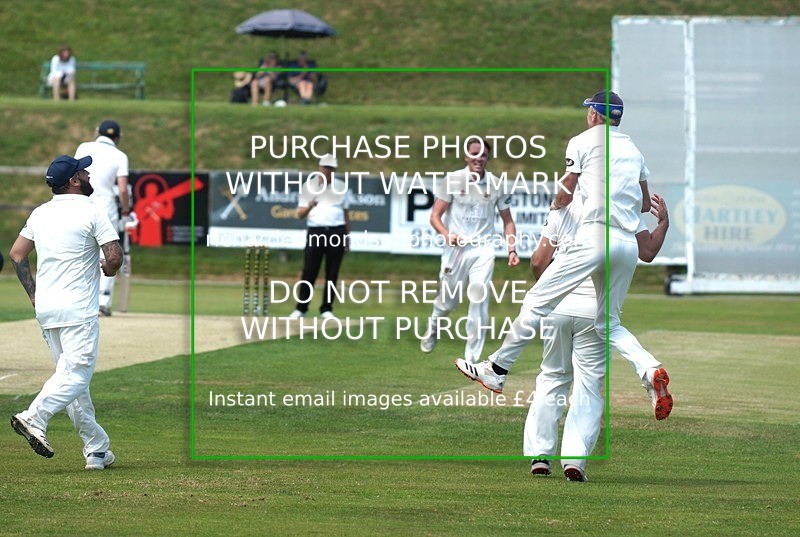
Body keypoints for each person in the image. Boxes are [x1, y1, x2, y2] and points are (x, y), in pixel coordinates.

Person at [455, 90, 672, 430]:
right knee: (608, 325)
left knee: (537, 300)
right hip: (626, 246)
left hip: (593, 238)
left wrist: (557, 205)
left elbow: (568, 188)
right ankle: (649, 369)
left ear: (595, 116)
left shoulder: (582, 141)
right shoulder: (634, 150)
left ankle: (496, 370)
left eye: (589, 110)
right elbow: (644, 204)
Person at [525, 191, 670, 482]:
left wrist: (551, 291)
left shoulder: (562, 208)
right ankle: (574, 461)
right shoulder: (622, 210)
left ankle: (540, 456)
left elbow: (539, 262)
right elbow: (648, 252)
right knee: (589, 386)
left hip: (559, 306)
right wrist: (663, 223)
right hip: (596, 309)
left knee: (552, 377)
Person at [8, 154, 123, 470]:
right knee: (76, 374)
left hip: (46, 308)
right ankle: (34, 417)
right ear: (74, 180)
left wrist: (33, 294)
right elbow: (113, 255)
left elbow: (17, 254)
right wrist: (111, 269)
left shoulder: (40, 213)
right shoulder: (92, 210)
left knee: (72, 381)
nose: (87, 174)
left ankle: (96, 449)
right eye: (83, 171)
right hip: (77, 309)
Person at [419, 137, 520, 364]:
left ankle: (471, 358)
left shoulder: (497, 184)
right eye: (474, 154)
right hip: (456, 249)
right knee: (448, 302)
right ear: (466, 156)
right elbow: (435, 216)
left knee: (479, 297)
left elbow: (508, 221)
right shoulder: (453, 180)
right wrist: (447, 235)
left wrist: (511, 249)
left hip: (483, 249)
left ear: (488, 158)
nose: (478, 158)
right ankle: (434, 323)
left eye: (483, 154)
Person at [74, 120, 130, 316]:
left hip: (81, 205)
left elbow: (74, 175)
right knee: (108, 253)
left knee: (80, 250)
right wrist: (126, 210)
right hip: (107, 209)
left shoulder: (84, 147)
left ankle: (79, 299)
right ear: (118, 138)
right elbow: (122, 188)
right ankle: (103, 302)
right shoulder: (120, 156)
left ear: (97, 132)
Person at [289, 154, 351, 319]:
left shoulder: (341, 186)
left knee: (332, 272)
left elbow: (345, 212)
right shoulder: (309, 186)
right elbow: (299, 214)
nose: (327, 171)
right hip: (316, 231)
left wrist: (347, 236)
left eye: (330, 168)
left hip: (336, 231)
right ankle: (301, 307)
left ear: (335, 169)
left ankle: (326, 309)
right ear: (320, 167)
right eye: (325, 167)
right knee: (309, 270)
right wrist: (310, 205)